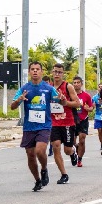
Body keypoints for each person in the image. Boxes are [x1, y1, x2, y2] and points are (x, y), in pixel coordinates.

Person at [11, 61, 63, 192]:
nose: (35, 71)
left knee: (40, 151)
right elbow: (12, 106)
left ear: (41, 72)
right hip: (29, 127)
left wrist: (62, 99)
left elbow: (60, 101)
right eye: (32, 69)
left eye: (37, 69)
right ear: (29, 72)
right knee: (30, 155)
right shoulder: (24, 89)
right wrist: (19, 100)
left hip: (44, 126)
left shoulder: (48, 88)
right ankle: (37, 180)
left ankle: (44, 169)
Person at [49, 63, 80, 184]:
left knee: (67, 150)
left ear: (63, 73)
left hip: (67, 122)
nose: (57, 74)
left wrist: (65, 102)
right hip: (53, 123)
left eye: (59, 72)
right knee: (56, 146)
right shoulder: (49, 88)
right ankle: (64, 174)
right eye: (55, 71)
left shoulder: (68, 87)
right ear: (52, 72)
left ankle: (73, 152)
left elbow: (77, 103)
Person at [72, 76, 93, 167]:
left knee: (82, 139)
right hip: (72, 120)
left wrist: (88, 108)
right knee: (71, 142)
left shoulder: (86, 96)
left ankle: (79, 159)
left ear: (81, 84)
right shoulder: (70, 95)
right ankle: (76, 147)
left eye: (78, 82)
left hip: (83, 120)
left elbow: (91, 107)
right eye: (74, 83)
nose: (76, 84)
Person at [92, 84, 102, 150]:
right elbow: (92, 105)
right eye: (99, 87)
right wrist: (93, 105)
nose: (101, 88)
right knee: (99, 130)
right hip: (97, 116)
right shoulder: (95, 97)